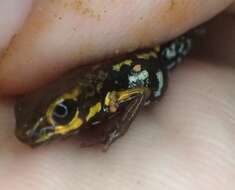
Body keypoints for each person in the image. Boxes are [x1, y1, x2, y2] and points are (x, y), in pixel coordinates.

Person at [0, 0, 234, 189]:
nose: (27, 132)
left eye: (61, 112)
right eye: (22, 109)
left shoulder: (108, 93)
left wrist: (117, 129)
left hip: (187, 39)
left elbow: (141, 91)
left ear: (82, 102)